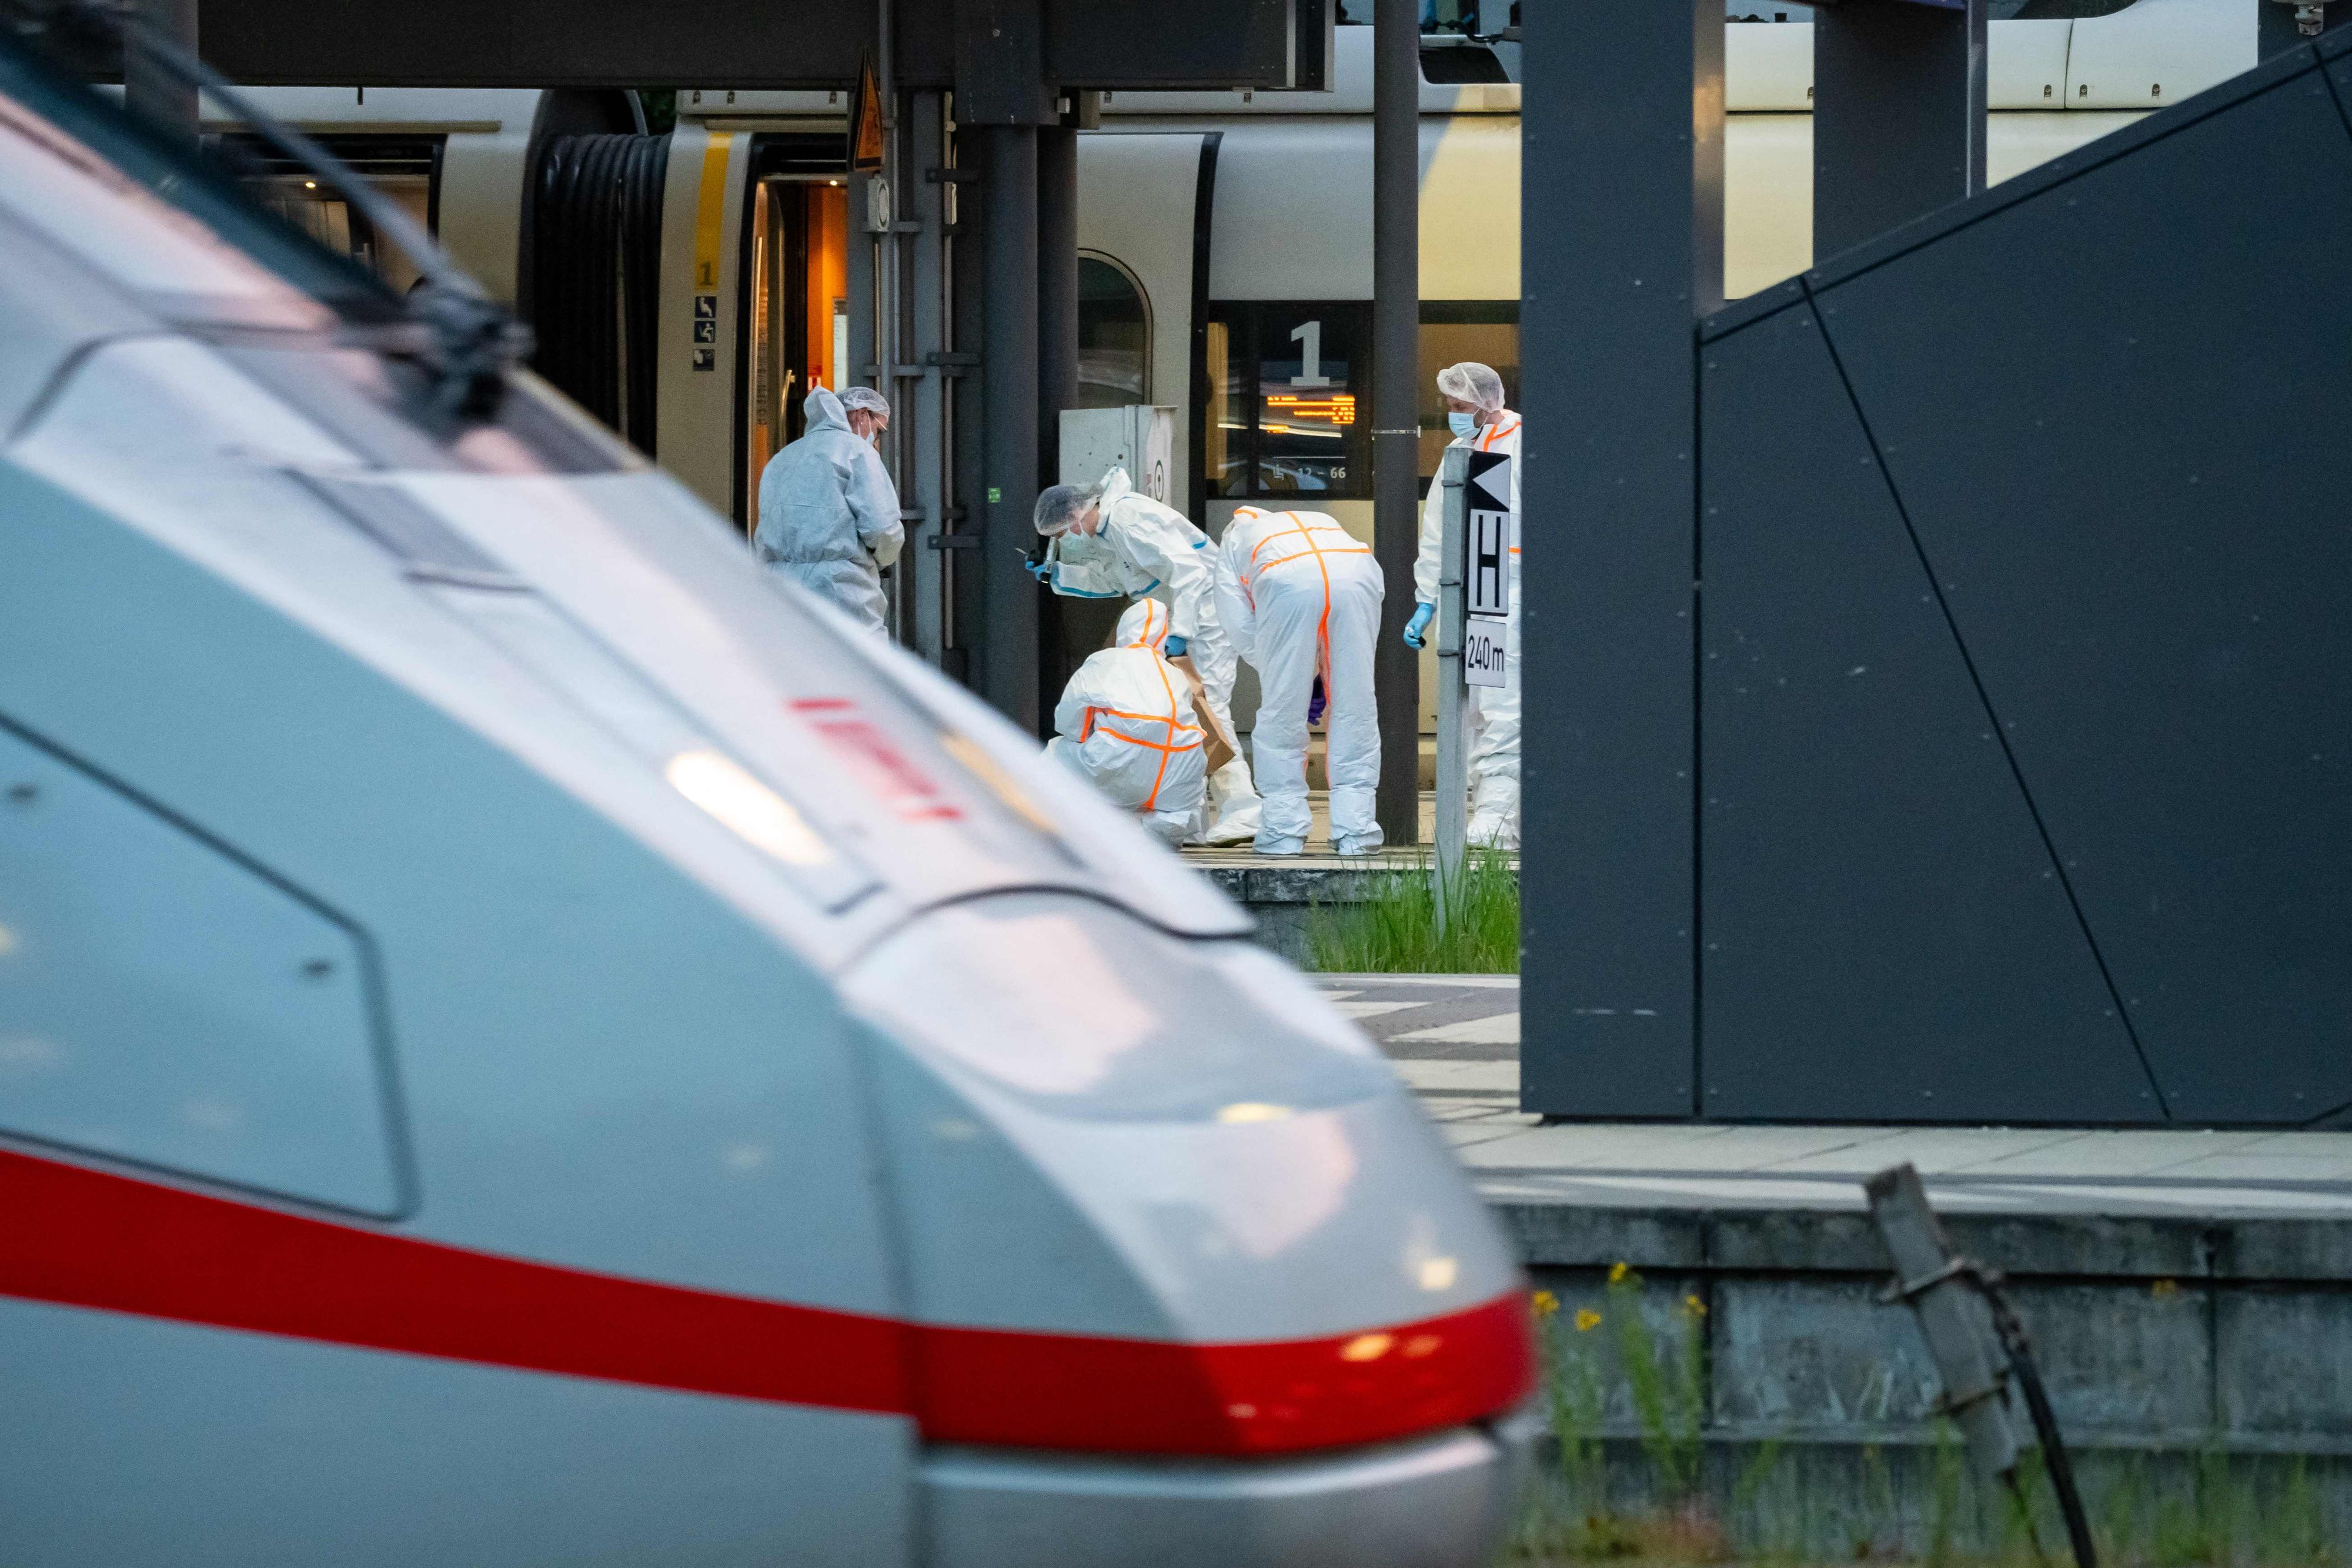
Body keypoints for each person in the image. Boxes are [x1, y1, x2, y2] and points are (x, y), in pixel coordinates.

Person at [1033, 469, 1262, 846]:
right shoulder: (1110, 530)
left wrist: (1181, 634)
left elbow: (1189, 572)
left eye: (1061, 534)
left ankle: (1244, 810)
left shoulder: (1128, 519)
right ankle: (1192, 816)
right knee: (1185, 711)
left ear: (1075, 517)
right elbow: (1118, 582)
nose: (1065, 540)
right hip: (1184, 618)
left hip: (1205, 616)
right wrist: (1057, 573)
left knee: (1208, 709)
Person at [1212, 506, 1384, 857]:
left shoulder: (1234, 541)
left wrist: (1291, 676)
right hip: (1358, 572)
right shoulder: (1318, 521)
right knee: (1355, 706)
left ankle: (1283, 833)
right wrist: (1324, 671)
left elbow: (1241, 626)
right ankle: (1357, 832)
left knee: (1282, 715)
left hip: (1284, 579)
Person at [1404, 361, 1522, 850]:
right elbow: (1438, 530)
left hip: (1515, 594)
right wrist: (1425, 599)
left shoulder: (1523, 445)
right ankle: (1491, 814)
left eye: (1460, 407)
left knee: (1504, 707)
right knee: (1476, 708)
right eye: (1450, 407)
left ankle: (1498, 819)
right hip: (1478, 598)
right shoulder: (1460, 452)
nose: (1453, 416)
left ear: (1486, 402)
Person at [1045, 599, 1208, 847]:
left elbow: (1070, 712)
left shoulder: (1106, 660)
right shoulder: (1174, 672)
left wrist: (1080, 736)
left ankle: (1062, 833)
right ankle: (1166, 828)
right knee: (1187, 775)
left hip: (1121, 757)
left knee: (1055, 753)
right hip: (1179, 771)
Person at [752, 386, 903, 634]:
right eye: (878, 432)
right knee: (853, 665)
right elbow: (883, 528)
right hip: (842, 588)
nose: (875, 441)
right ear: (862, 414)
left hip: (782, 587)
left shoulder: (782, 458)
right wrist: (883, 558)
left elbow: (766, 529)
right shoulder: (857, 452)